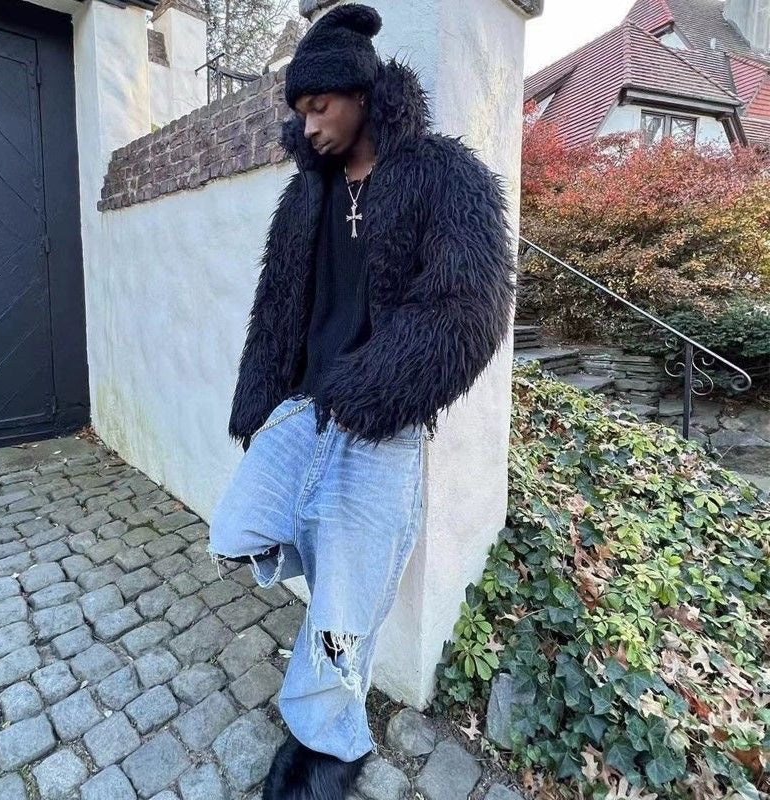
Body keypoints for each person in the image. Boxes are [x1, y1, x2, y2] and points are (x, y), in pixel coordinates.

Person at [208, 4, 516, 798]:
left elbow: (469, 307)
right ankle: (337, 600)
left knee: (345, 606)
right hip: (303, 412)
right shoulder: (304, 195)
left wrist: (373, 387)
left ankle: (330, 747)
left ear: (360, 93)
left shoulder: (441, 176)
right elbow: (277, 305)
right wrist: (259, 405)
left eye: (320, 107)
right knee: (240, 527)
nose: (308, 126)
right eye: (300, 111)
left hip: (379, 424)